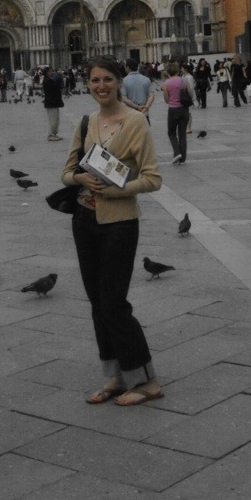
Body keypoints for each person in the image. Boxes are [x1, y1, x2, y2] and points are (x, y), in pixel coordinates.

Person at [61, 56, 163, 407]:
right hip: (84, 221)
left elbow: (153, 179)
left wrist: (113, 190)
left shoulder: (136, 123)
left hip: (119, 223)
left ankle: (145, 380)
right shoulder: (86, 121)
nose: (100, 86)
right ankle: (115, 375)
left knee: (113, 303)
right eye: (94, 80)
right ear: (87, 84)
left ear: (119, 82)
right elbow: (66, 172)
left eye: (107, 79)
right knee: (96, 304)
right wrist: (79, 178)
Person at [162, 62, 189, 164]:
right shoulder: (184, 80)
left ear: (168, 71)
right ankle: (183, 159)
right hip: (184, 109)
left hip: (173, 110)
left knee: (172, 133)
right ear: (178, 70)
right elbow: (190, 93)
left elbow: (166, 100)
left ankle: (177, 153)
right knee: (182, 134)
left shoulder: (166, 83)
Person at [122, 59, 155, 124]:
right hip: (144, 114)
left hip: (130, 115)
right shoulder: (146, 79)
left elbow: (124, 98)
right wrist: (146, 107)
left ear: (127, 67)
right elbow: (151, 95)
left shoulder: (124, 81)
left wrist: (137, 107)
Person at [42, 66, 64, 141]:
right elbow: (55, 87)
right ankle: (50, 134)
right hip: (51, 103)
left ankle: (54, 134)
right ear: (47, 73)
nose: (52, 72)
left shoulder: (49, 80)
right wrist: (59, 78)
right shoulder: (47, 81)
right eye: (51, 71)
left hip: (54, 102)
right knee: (52, 119)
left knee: (56, 119)